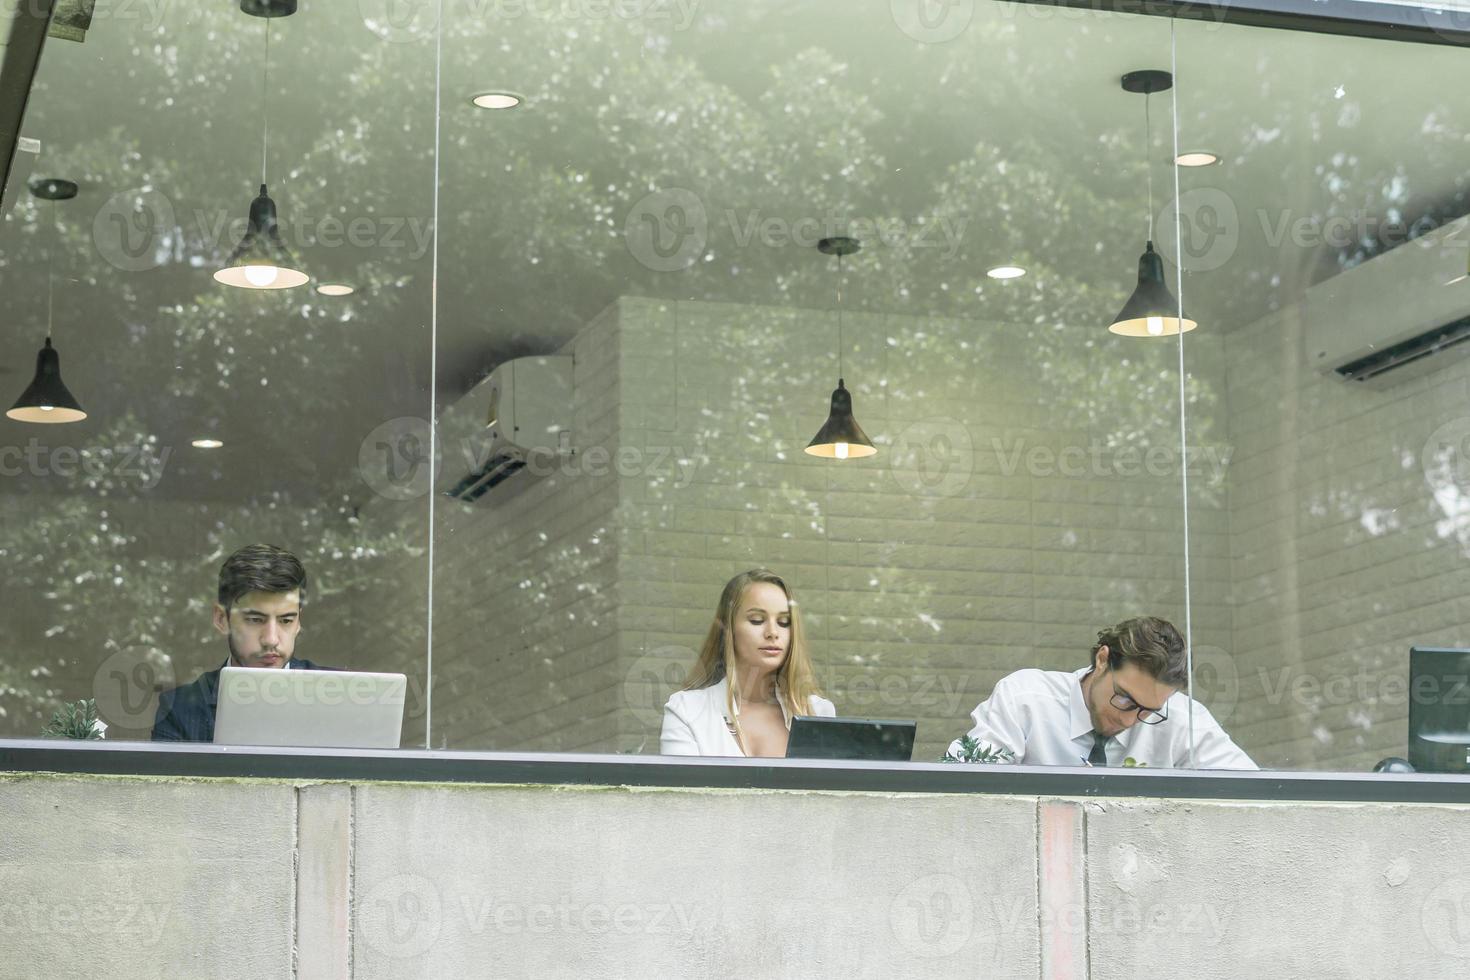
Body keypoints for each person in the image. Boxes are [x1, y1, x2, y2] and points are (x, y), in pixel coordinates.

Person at [945, 616, 1255, 769]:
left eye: (1148, 711)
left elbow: (1254, 796)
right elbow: (962, 779)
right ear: (1103, 659)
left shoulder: (1183, 720)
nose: (1130, 720)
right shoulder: (1026, 699)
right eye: (1125, 699)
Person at [152, 544, 330, 742]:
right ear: (222, 619)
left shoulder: (337, 696)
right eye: (255, 620)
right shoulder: (179, 710)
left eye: (286, 620)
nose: (271, 639)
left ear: (298, 622)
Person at [661, 568, 835, 757]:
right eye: (756, 620)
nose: (773, 632)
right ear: (727, 629)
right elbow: (681, 786)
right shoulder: (687, 710)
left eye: (784, 622)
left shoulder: (817, 712)